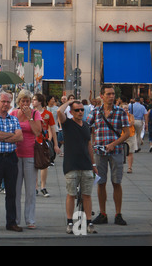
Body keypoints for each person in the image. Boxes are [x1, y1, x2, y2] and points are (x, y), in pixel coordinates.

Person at [87, 84, 130, 226]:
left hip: (116, 151)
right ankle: (103, 213)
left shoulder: (120, 112)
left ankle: (118, 214)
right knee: (101, 183)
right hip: (99, 152)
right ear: (102, 96)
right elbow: (86, 126)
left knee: (117, 182)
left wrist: (113, 144)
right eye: (108, 94)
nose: (111, 96)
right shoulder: (95, 112)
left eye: (113, 94)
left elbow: (127, 133)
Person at [57, 100, 98, 234]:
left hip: (86, 165)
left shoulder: (86, 125)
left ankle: (89, 222)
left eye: (81, 110)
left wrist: (93, 164)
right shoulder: (67, 123)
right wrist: (69, 101)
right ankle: (70, 222)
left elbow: (89, 145)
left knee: (87, 195)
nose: (80, 112)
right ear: (71, 111)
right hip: (71, 165)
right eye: (76, 110)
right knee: (71, 194)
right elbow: (59, 111)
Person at [0, 91, 23, 232]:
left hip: (11, 158)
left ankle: (11, 222)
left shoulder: (13, 119)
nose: (6, 104)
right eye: (4, 101)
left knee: (11, 192)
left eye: (8, 102)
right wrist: (11, 135)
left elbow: (19, 138)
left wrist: (3, 137)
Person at [9, 89, 42, 229]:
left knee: (30, 190)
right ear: (19, 102)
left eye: (27, 101)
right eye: (23, 101)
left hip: (30, 155)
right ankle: (15, 220)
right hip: (15, 154)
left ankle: (30, 220)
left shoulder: (35, 114)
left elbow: (37, 132)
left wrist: (30, 117)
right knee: (15, 190)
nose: (25, 103)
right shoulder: (13, 114)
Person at [33, 93, 60, 198]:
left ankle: (43, 187)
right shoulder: (31, 113)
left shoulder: (48, 114)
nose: (33, 101)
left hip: (43, 142)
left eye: (35, 100)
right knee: (34, 165)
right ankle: (35, 187)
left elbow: (53, 129)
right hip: (33, 142)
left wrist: (55, 144)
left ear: (40, 101)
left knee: (45, 165)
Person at [120, 103, 137, 174]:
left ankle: (130, 167)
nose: (126, 109)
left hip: (131, 135)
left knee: (130, 152)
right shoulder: (119, 115)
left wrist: (125, 124)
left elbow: (132, 123)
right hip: (122, 135)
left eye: (126, 108)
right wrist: (127, 123)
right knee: (120, 153)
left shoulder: (131, 115)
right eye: (124, 108)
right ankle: (120, 168)